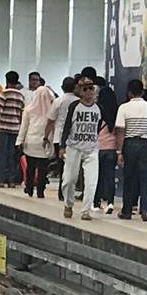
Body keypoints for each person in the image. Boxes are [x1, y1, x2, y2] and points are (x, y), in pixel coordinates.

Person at [116, 79, 147, 222]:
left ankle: (127, 211)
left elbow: (120, 131)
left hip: (130, 144)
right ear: (142, 92)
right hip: (146, 145)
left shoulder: (124, 108)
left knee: (129, 178)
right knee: (146, 179)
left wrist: (119, 152)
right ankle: (146, 211)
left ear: (129, 93)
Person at [59, 77, 103, 221]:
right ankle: (68, 203)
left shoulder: (98, 109)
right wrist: (62, 145)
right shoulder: (74, 107)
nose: (89, 91)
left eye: (91, 88)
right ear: (80, 91)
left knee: (91, 181)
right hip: (74, 147)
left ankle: (85, 210)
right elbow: (67, 126)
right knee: (69, 179)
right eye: (85, 88)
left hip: (91, 148)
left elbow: (98, 127)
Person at [16, 86, 55, 198]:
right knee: (43, 169)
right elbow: (53, 127)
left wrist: (19, 141)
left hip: (31, 141)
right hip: (44, 142)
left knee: (30, 167)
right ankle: (40, 190)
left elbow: (24, 127)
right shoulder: (51, 111)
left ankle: (29, 188)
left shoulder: (28, 109)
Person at [45, 77, 78, 201]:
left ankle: (61, 192)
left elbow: (50, 120)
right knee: (73, 167)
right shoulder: (79, 101)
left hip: (58, 138)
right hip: (74, 139)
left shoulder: (58, 101)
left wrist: (45, 136)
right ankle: (70, 192)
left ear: (62, 87)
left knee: (62, 167)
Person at [93, 87, 118, 214]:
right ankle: (110, 203)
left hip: (98, 148)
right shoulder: (116, 111)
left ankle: (96, 202)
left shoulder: (97, 110)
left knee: (97, 177)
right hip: (112, 148)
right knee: (110, 177)